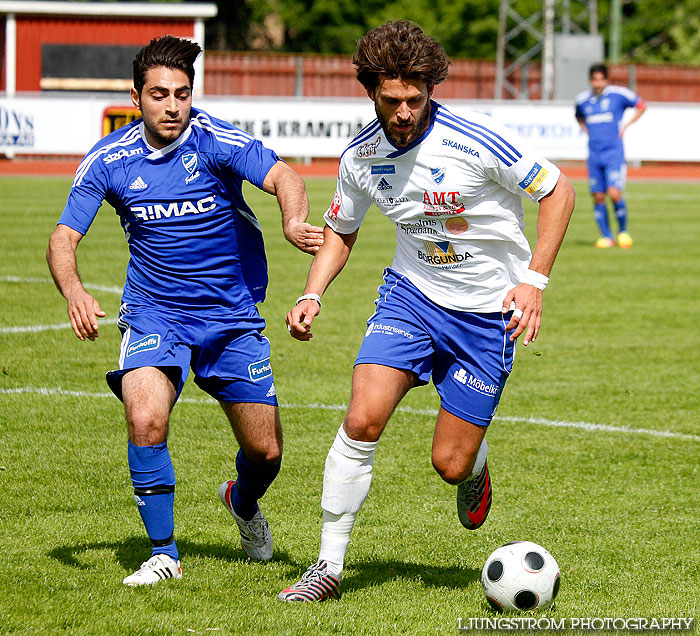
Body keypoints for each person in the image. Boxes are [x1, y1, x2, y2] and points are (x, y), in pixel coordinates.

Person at [277, 20, 575, 603]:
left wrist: (533, 281)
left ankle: (476, 468)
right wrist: (313, 292)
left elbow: (557, 191)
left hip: (489, 313)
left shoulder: (476, 140)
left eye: (416, 99)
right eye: (393, 101)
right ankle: (327, 568)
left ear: (430, 89)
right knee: (362, 419)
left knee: (449, 464)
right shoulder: (361, 157)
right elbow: (341, 230)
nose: (405, 111)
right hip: (410, 298)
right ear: (371, 93)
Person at [46, 35, 323, 586]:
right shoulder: (110, 159)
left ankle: (241, 504)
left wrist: (292, 220)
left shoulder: (214, 140)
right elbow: (62, 237)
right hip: (155, 314)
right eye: (159, 95)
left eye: (182, 94)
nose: (172, 106)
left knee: (265, 452)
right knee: (145, 417)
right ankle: (163, 554)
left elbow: (285, 177)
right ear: (136, 96)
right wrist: (74, 290)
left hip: (230, 316)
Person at [575, 63, 646, 248]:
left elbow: (641, 105)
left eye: (601, 79)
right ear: (590, 80)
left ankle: (623, 232)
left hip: (614, 152)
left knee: (614, 193)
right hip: (594, 154)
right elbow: (578, 116)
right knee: (598, 195)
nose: (597, 83)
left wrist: (626, 125)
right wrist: (586, 130)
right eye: (594, 79)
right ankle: (607, 237)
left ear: (606, 80)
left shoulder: (618, 95)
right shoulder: (582, 100)